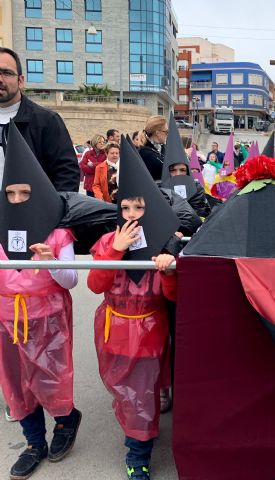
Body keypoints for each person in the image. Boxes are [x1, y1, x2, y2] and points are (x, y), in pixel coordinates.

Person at [88, 137, 181, 480]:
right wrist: (114, 250)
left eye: (139, 208)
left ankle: (137, 454)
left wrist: (169, 270)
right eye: (125, 208)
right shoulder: (107, 241)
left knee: (141, 397)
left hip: (148, 334)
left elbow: (172, 298)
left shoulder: (163, 245)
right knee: (126, 393)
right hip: (114, 332)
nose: (131, 215)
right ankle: (141, 430)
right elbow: (96, 284)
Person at [0, 122, 81, 480]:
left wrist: (51, 262)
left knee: (51, 378)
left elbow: (72, 279)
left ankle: (65, 421)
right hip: (7, 319)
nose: (17, 200)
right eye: (11, 193)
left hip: (47, 317)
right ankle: (34, 442)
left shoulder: (57, 231)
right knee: (17, 384)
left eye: (25, 192)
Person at [0, 47, 80, 191]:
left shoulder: (47, 121)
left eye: (6, 73)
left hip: (29, 212)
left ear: (20, 81)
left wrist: (50, 212)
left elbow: (67, 174)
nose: (0, 79)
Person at [138, 116, 169, 181]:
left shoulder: (161, 148)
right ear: (157, 133)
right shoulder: (145, 152)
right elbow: (166, 170)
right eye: (166, 132)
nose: (167, 134)